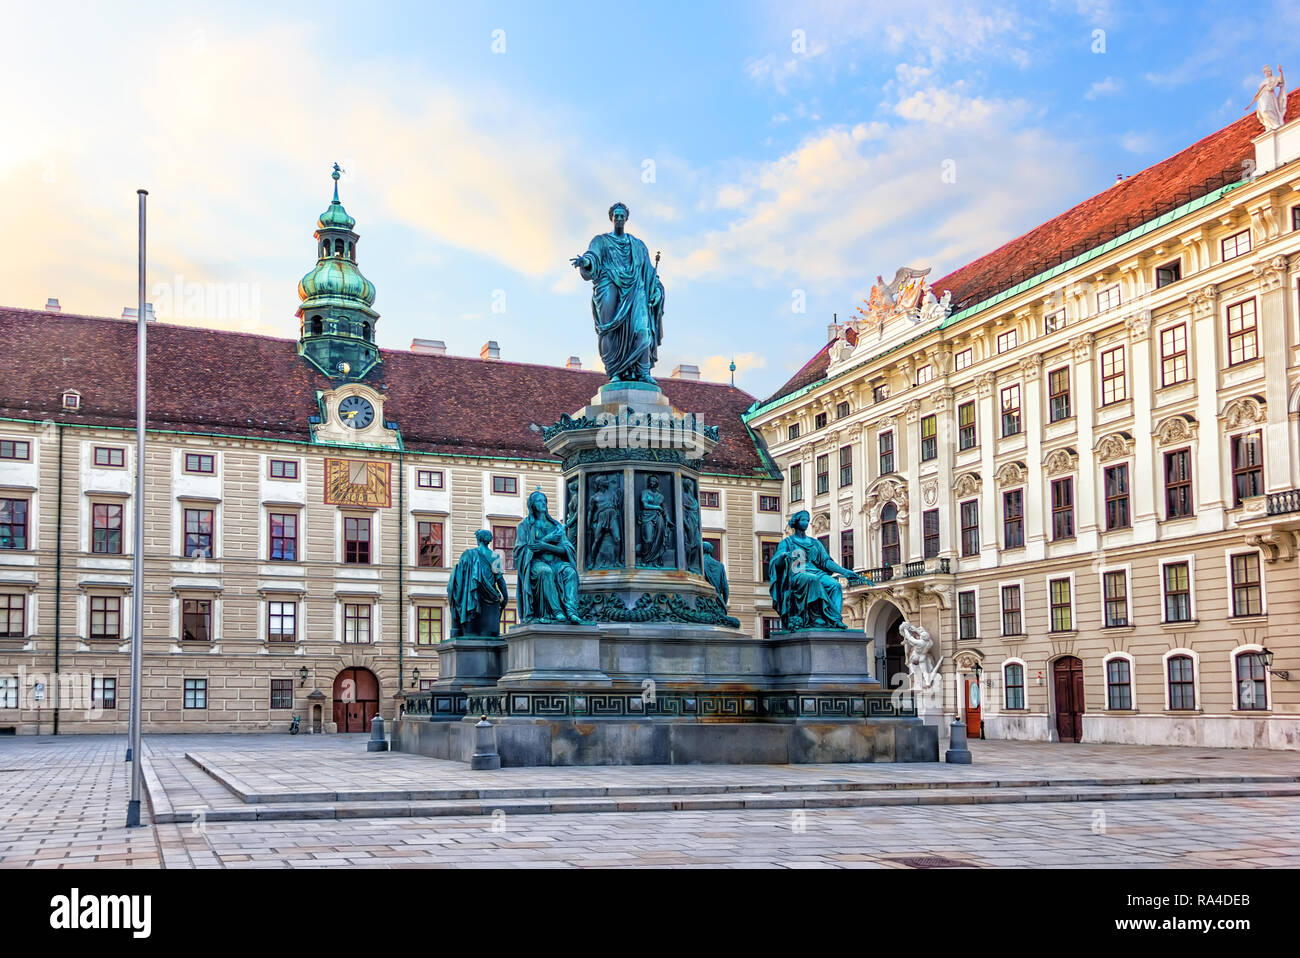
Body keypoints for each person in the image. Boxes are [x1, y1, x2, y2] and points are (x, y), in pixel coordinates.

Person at [570, 203, 665, 383]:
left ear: (626, 218)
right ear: (611, 218)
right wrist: (586, 262)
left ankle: (643, 372)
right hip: (610, 284)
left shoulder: (638, 246)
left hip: (635, 289)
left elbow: (650, 273)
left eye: (622, 215)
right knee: (609, 329)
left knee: (642, 330)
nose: (619, 218)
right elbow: (593, 256)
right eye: (616, 215)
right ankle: (615, 372)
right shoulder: (601, 241)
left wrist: (657, 290)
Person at [768, 510, 865, 630]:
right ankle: (816, 618)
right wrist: (783, 556)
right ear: (796, 522)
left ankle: (835, 619)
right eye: (803, 520)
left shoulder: (815, 543)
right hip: (798, 574)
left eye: (807, 521)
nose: (806, 523)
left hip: (816, 572)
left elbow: (826, 562)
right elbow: (776, 562)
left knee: (835, 585)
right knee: (812, 580)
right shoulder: (787, 542)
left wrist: (844, 571)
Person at [514, 490, 582, 623]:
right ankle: (557, 611)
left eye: (545, 501)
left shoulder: (555, 525)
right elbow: (523, 549)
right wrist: (548, 539)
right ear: (532, 505)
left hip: (556, 562)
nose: (543, 503)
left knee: (570, 572)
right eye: (540, 501)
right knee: (545, 572)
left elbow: (566, 550)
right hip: (536, 562)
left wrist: (546, 546)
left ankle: (571, 611)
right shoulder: (525, 526)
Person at [447, 529, 508, 637]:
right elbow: (500, 579)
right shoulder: (494, 556)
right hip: (490, 598)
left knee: (471, 633)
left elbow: (460, 576)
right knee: (488, 635)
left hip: (472, 596)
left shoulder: (468, 554)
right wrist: (505, 596)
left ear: (478, 539)